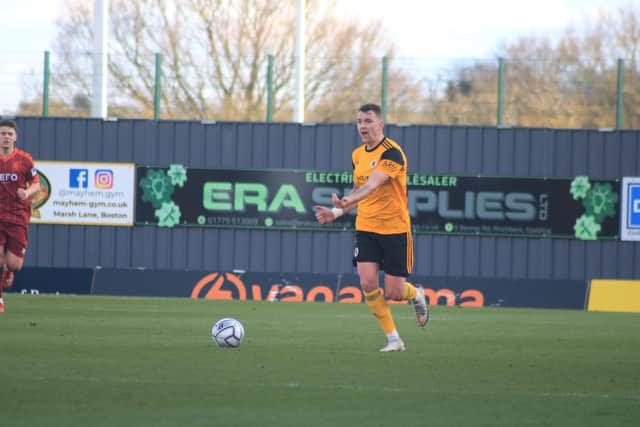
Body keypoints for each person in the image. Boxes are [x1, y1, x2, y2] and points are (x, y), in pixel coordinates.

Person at [315, 103, 429, 352]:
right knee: (367, 283)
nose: (363, 126)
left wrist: (350, 200)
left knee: (395, 292)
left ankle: (416, 294)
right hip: (366, 227)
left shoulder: (393, 152)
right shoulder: (358, 154)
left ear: (380, 124)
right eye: (359, 121)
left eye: (368, 121)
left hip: (394, 228)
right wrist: (337, 211)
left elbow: (373, 186)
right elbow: (358, 190)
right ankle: (394, 339)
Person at [0, 119, 40, 312]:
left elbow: (36, 184)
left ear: (15, 137)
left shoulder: (24, 159)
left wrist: (27, 193)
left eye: (9, 134)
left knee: (14, 265)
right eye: (2, 133)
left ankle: (8, 270)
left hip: (17, 218)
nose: (6, 137)